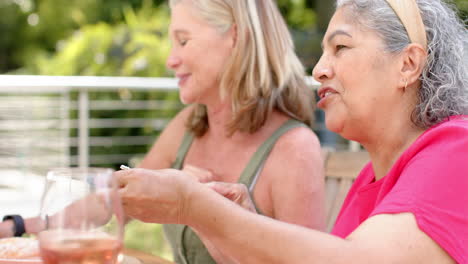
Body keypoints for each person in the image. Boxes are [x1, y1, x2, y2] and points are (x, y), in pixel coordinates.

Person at [116, 0, 468, 263]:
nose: (318, 69)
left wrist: (193, 206)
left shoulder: (458, 148)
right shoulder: (370, 181)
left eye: (341, 47)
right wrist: (235, 224)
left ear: (407, 65)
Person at [1, 0, 326, 262]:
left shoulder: (294, 149)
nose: (171, 59)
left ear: (235, 37)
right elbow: (114, 200)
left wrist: (198, 205)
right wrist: (19, 226)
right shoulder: (189, 125)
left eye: (183, 40)